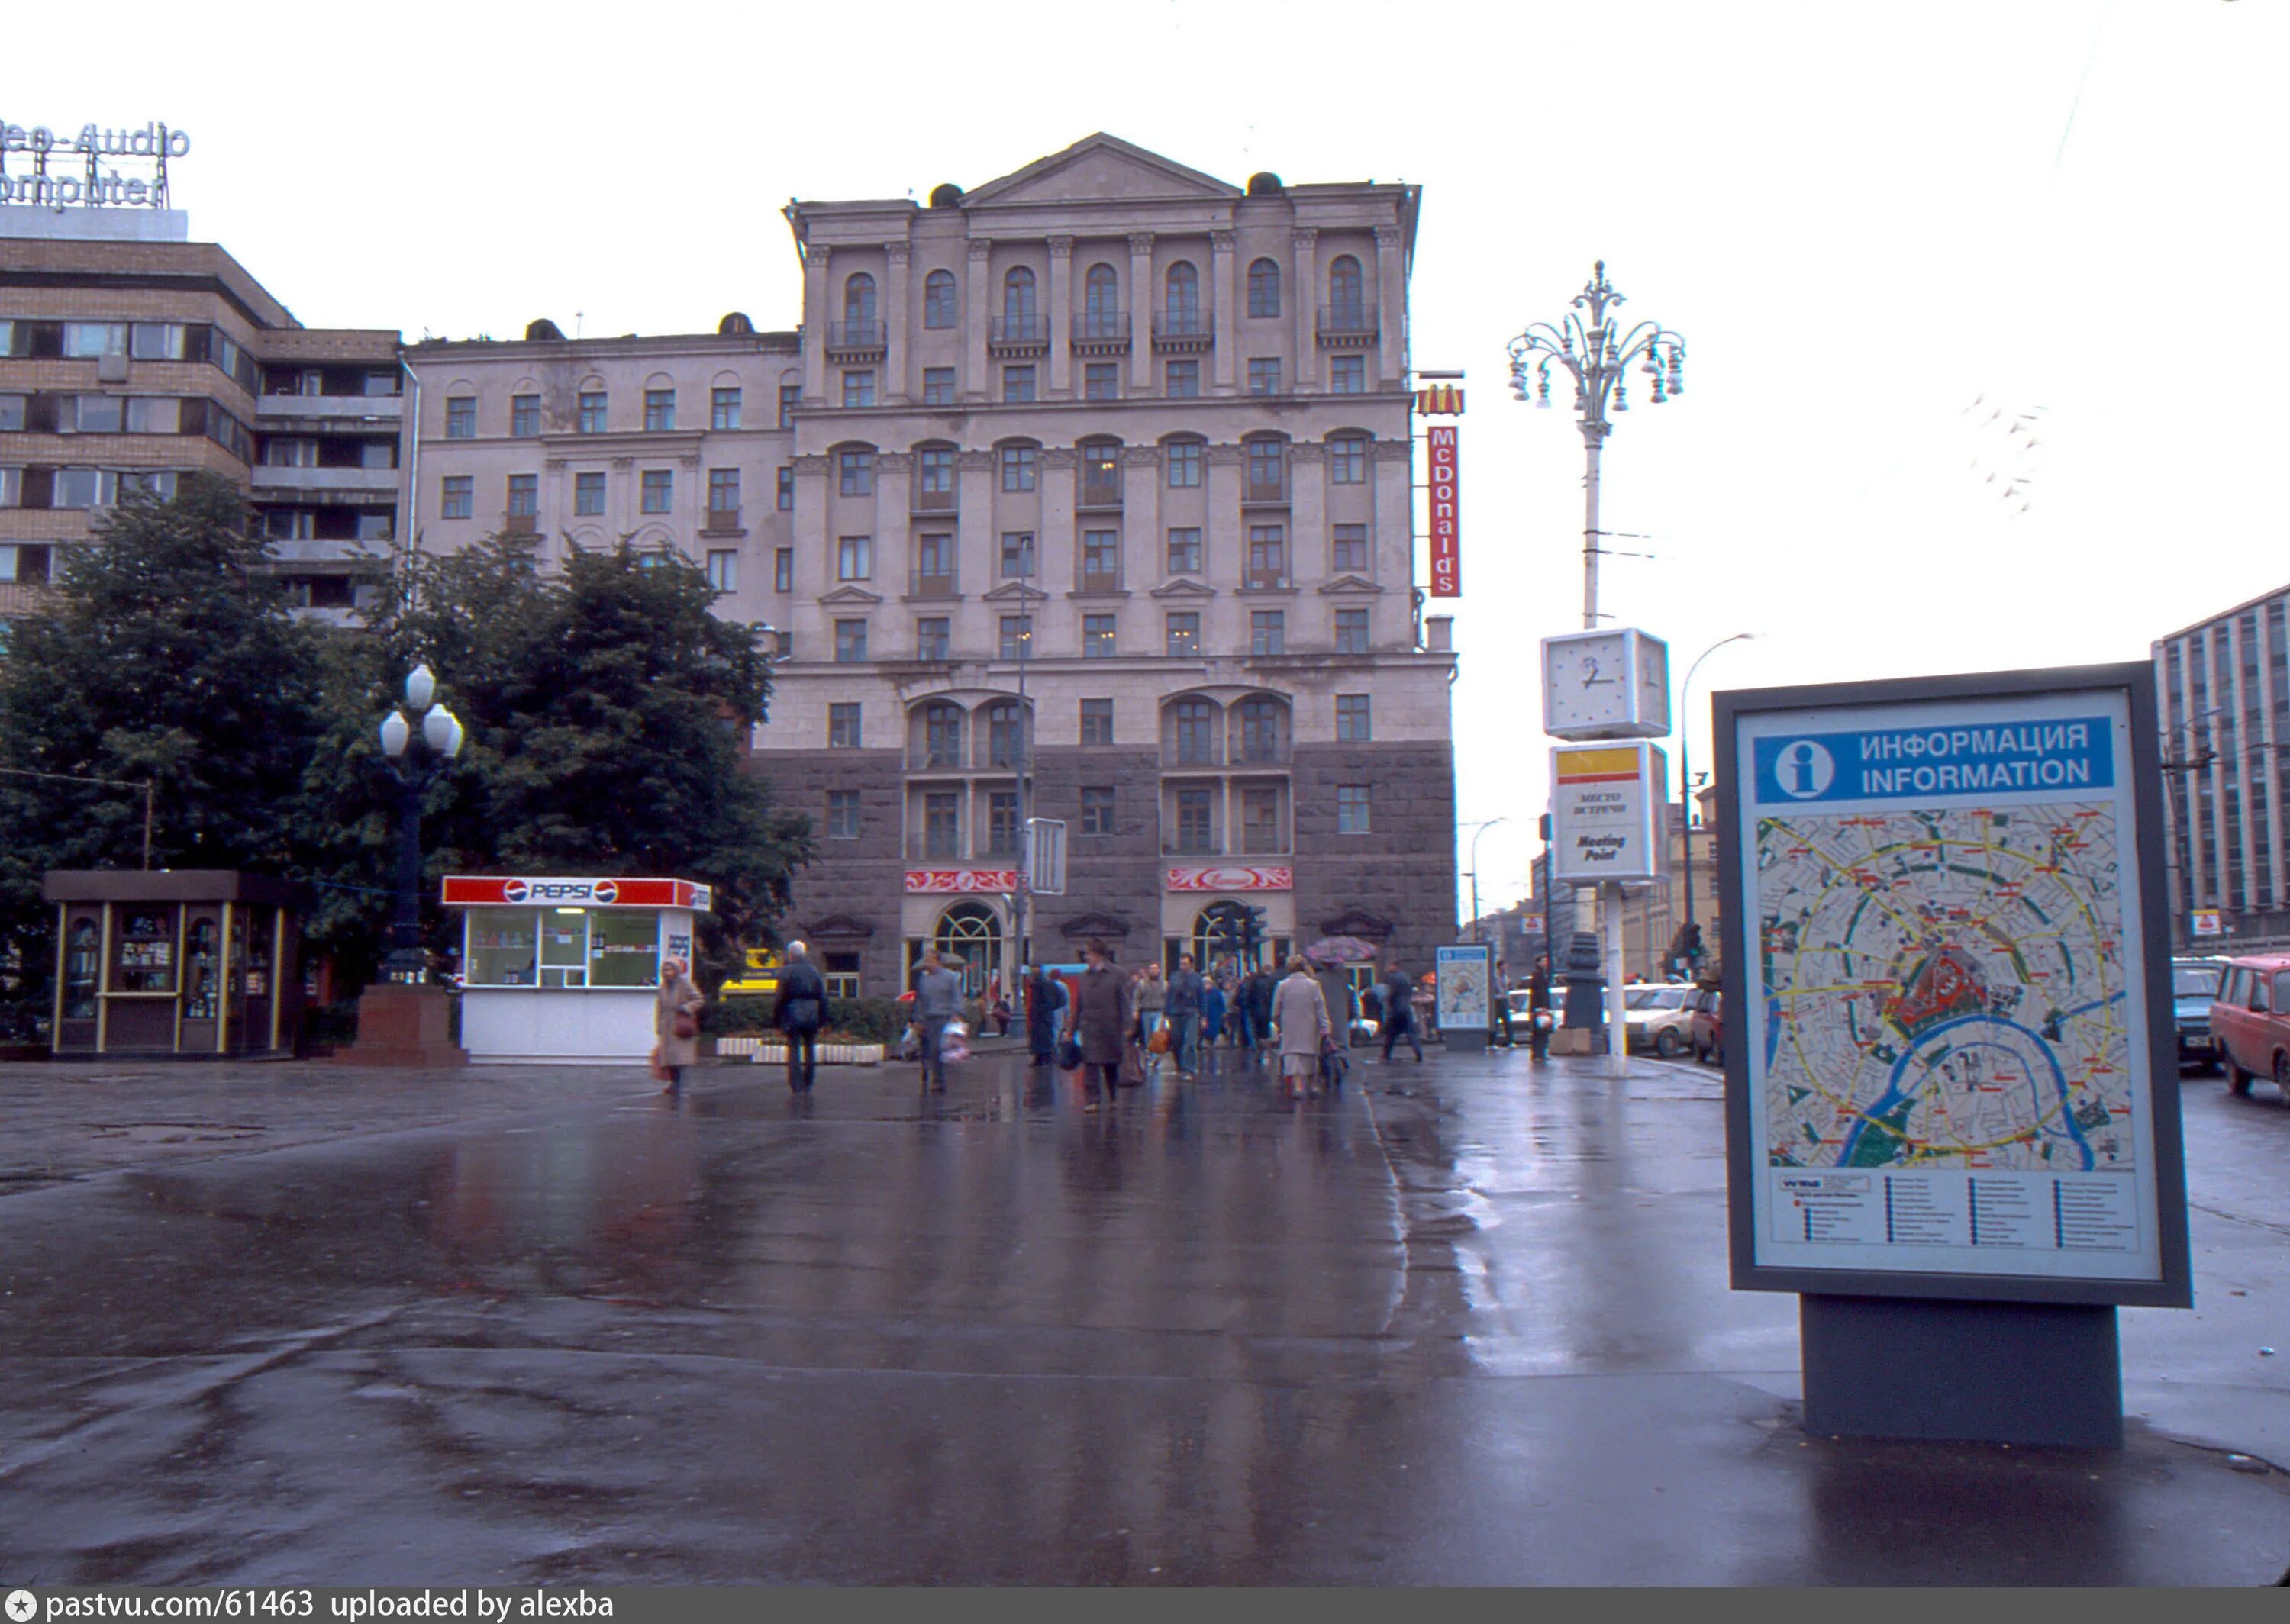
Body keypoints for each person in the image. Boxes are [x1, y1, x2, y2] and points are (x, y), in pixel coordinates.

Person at [1065, 938, 1131, 1107]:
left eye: (1089, 954)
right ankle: (1092, 1100)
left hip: (1111, 1028)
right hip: (1090, 1028)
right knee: (1090, 1065)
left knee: (1111, 1065)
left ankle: (1113, 1096)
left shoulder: (1118, 974)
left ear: (1099, 955)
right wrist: (1071, 1030)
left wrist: (1128, 1026)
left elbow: (1124, 1002)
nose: (1087, 957)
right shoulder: (1084, 977)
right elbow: (1078, 1004)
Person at [773, 940, 830, 1094]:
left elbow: (779, 997)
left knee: (794, 1049)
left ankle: (796, 1084)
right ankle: (809, 1082)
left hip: (793, 1012)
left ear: (790, 954)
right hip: (812, 1013)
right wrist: (824, 1020)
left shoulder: (786, 971)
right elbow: (823, 997)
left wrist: (776, 1019)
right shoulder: (813, 971)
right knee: (810, 1048)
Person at [1272, 955, 1332, 1097]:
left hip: (1289, 1027)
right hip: (1310, 1026)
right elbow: (1320, 1008)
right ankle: (1312, 1085)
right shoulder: (1313, 985)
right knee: (1310, 1056)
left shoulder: (1282, 985)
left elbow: (1275, 1010)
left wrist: (1279, 1025)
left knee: (1293, 1056)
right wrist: (1326, 1027)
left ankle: (1298, 1086)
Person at [910, 946, 963, 1092]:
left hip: (944, 1018)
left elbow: (956, 997)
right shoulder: (923, 980)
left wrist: (956, 1013)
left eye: (930, 960)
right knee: (926, 1048)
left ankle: (939, 1080)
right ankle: (927, 1072)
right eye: (926, 961)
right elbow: (920, 1001)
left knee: (937, 1049)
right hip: (928, 1018)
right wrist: (918, 1020)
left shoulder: (950, 977)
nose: (927, 964)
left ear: (938, 961)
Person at [653, 956, 706, 1094]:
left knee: (680, 1056)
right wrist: (658, 1025)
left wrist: (687, 1008)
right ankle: (673, 1082)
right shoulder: (663, 987)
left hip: (681, 1023)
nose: (667, 972)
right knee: (669, 1057)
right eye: (665, 969)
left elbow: (699, 999)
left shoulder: (685, 984)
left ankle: (679, 1082)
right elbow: (659, 1008)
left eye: (670, 969)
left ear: (676, 970)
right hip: (667, 1025)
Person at [1164, 952, 1204, 1078]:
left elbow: (1202, 998)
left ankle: (1189, 1069)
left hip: (1191, 1013)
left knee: (1190, 1042)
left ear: (1191, 964)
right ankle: (1180, 1066)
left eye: (1185, 964)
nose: (1182, 966)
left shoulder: (1197, 979)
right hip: (1176, 1013)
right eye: (1181, 964)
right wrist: (1165, 1013)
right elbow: (1169, 995)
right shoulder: (1174, 977)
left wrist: (1204, 1016)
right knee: (1177, 1041)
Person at [1381, 962, 1424, 1062]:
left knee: (1390, 1034)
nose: (1387, 968)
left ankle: (1386, 1055)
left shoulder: (1393, 977)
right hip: (1406, 1008)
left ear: (1394, 966)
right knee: (1411, 1033)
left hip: (1396, 1009)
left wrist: (1389, 1003)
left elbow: (1392, 992)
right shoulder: (1406, 976)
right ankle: (1418, 1053)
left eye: (1389, 966)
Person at [1133, 962, 1168, 1079]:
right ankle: (1149, 1055)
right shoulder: (1142, 984)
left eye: (1155, 969)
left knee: (1156, 1035)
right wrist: (1136, 1010)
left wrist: (1166, 1014)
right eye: (1151, 969)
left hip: (1159, 1012)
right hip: (1146, 1012)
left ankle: (1155, 1058)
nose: (1153, 971)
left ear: (1159, 970)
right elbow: (1136, 998)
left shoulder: (1164, 984)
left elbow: (1167, 998)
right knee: (1148, 1036)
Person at [1024, 962, 1063, 1066]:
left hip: (1041, 1018)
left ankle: (1042, 1059)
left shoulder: (1041, 985)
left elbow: (1054, 1001)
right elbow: (1060, 1000)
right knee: (1044, 1039)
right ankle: (1043, 1058)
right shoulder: (1046, 984)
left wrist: (1043, 1010)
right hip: (1043, 1018)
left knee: (1042, 1039)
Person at [1527, 954, 1553, 1065]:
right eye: (1543, 961)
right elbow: (1539, 993)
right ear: (1538, 963)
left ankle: (1540, 1054)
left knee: (1542, 1032)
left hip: (1541, 1008)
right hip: (1540, 1008)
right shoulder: (1538, 975)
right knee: (1540, 1032)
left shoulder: (1542, 975)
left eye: (1546, 961)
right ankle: (1538, 1054)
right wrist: (1542, 1007)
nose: (1545, 963)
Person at [1201, 972, 1227, 1057]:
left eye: (1208, 984)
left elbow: (1221, 1003)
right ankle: (1207, 1042)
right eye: (1205, 984)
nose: (1206, 986)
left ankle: (1211, 1043)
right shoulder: (1201, 993)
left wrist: (1223, 1013)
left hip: (1215, 1015)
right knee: (1205, 1030)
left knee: (1214, 1030)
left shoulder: (1216, 992)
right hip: (1206, 1015)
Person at [1492, 956, 1515, 1049]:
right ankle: (1492, 1042)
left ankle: (1510, 1041)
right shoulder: (1495, 977)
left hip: (1504, 1000)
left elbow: (1506, 991)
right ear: (1500, 967)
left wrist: (1510, 1001)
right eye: (1504, 966)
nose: (1506, 968)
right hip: (1497, 1000)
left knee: (1507, 1022)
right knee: (1495, 1022)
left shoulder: (1506, 977)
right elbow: (1498, 989)